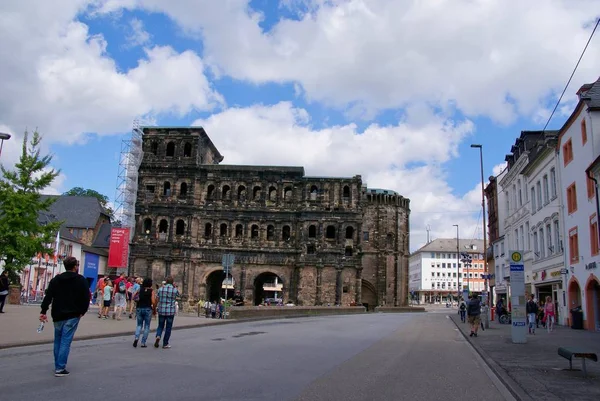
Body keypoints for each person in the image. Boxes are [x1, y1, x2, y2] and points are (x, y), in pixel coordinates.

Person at [39, 256, 90, 377]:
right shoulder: (81, 280)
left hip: (58, 313)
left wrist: (43, 311)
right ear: (75, 267)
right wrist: (83, 311)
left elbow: (48, 296)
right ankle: (60, 367)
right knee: (65, 341)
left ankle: (58, 364)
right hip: (73, 314)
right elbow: (86, 297)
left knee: (58, 339)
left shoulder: (56, 279)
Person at [154, 276, 180, 349]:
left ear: (166, 282)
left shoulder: (160, 289)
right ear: (172, 282)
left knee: (160, 325)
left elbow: (157, 297)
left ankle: (158, 336)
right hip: (170, 311)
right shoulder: (174, 290)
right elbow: (178, 295)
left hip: (161, 310)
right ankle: (165, 344)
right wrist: (175, 287)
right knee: (168, 328)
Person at [133, 278, 154, 348]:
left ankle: (136, 338)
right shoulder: (151, 291)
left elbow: (133, 296)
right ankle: (143, 342)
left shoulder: (140, 289)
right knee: (147, 326)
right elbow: (153, 301)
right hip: (148, 308)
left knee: (139, 325)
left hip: (139, 308)